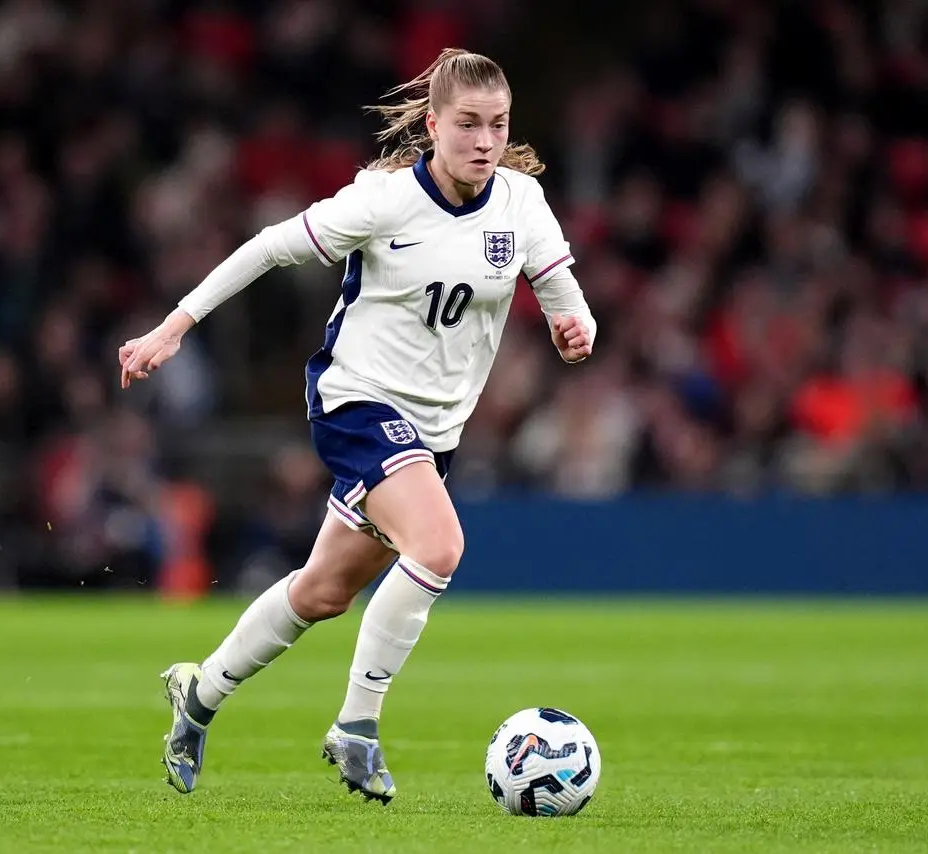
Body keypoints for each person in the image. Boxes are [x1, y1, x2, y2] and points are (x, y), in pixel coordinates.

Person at [119, 48, 596, 803]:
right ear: (433, 125)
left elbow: (561, 286)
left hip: (434, 434)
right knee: (439, 547)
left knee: (321, 593)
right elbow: (268, 248)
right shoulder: (383, 201)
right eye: (467, 124)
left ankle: (199, 694)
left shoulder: (519, 202)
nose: (483, 141)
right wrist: (174, 327)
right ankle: (357, 729)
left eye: (497, 125)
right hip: (358, 403)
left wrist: (577, 324)